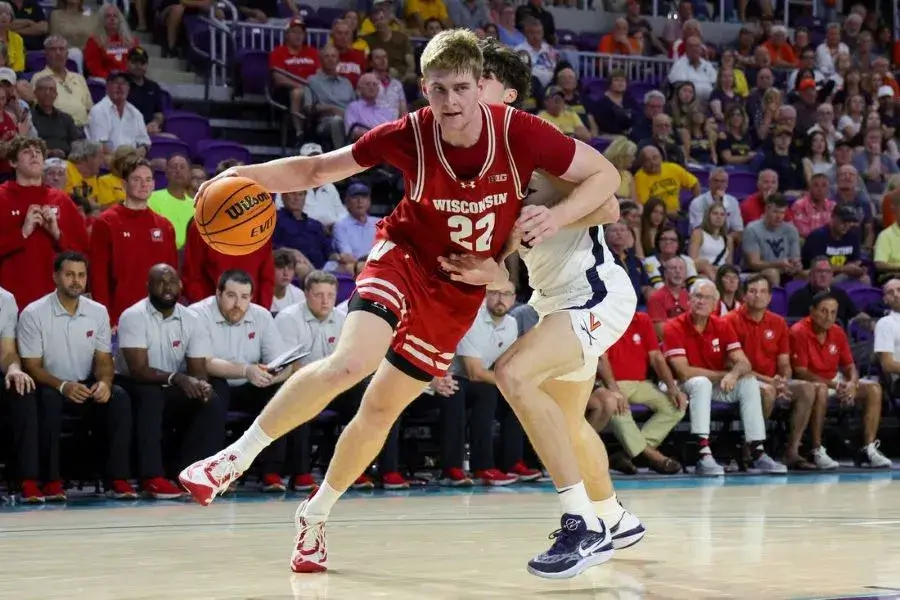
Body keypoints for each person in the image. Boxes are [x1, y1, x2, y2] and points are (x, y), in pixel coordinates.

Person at [179, 30, 621, 577]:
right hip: (404, 257)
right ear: (423, 90)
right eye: (438, 90)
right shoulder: (411, 134)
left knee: (380, 410)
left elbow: (607, 176)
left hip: (457, 293)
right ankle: (233, 459)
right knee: (352, 361)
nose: (452, 102)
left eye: (462, 88)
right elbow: (318, 171)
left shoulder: (523, 134)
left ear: (481, 86)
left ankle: (314, 516)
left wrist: (538, 233)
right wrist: (243, 176)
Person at [440, 38, 643, 574]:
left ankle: (581, 527)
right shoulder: (480, 163)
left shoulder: (539, 143)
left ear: (504, 93)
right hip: (553, 299)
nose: (462, 92)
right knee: (570, 424)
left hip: (595, 290)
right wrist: (486, 270)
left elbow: (607, 202)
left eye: (475, 81)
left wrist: (557, 219)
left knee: (511, 373)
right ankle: (613, 517)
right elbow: (507, 247)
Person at [17, 251, 137, 501]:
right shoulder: (34, 313)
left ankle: (118, 479)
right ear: (55, 277)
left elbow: (104, 359)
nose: (76, 281)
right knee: (47, 400)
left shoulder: (98, 311)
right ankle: (51, 481)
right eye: (69, 274)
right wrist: (62, 386)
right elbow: (31, 365)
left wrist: (104, 382)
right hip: (49, 383)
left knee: (119, 397)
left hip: (84, 383)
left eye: (81, 275)